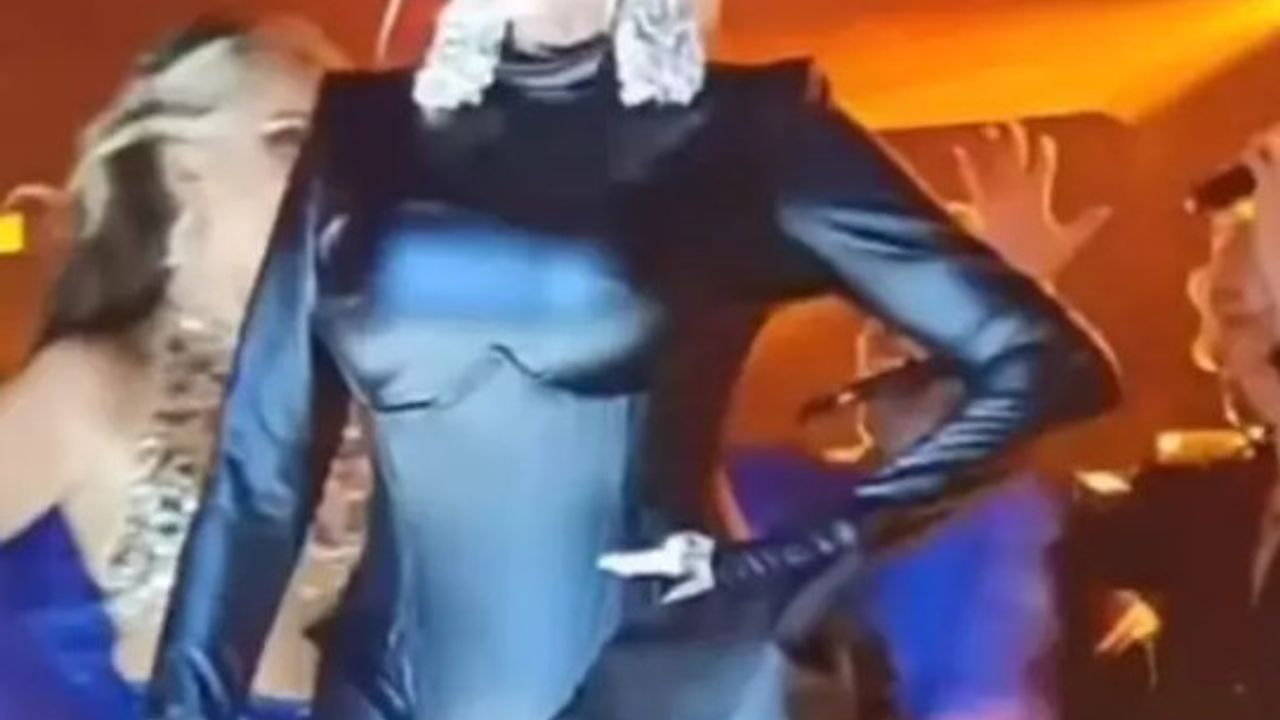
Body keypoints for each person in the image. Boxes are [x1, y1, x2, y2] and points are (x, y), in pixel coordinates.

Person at [146, 1, 1118, 719]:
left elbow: (1042, 362)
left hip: (668, 685)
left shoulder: (749, 133)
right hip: (388, 693)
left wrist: (799, 555)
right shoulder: (362, 136)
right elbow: (258, 480)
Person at [0, 18, 349, 718]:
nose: (331, 176)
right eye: (287, 139)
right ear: (183, 169)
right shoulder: (88, 392)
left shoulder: (365, 426)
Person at [722, 123, 1109, 720]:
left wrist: (1015, 307)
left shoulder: (1030, 520)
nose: (893, 335)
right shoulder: (792, 498)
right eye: (881, 314)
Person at [1060, 123, 1280, 720]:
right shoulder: (1203, 499)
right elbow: (1022, 522)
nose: (1267, 344)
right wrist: (1001, 320)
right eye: (1241, 313)